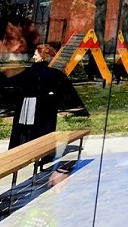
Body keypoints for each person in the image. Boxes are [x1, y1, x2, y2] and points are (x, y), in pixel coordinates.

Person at [9, 44, 88, 176]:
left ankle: (34, 152)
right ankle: (33, 152)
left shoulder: (45, 71)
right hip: (34, 104)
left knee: (33, 129)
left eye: (36, 54)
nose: (34, 56)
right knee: (31, 128)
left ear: (43, 55)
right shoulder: (42, 70)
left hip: (37, 105)